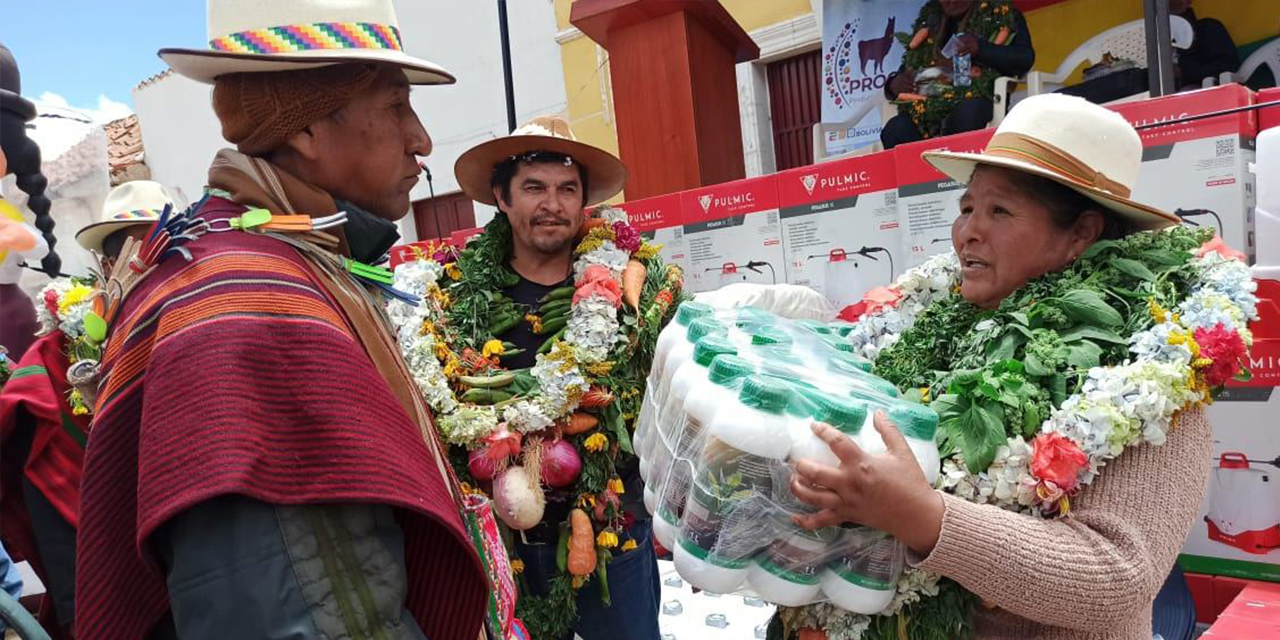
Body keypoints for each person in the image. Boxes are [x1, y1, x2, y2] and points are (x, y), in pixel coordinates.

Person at [73, 2, 487, 639]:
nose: (422, 140)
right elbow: (300, 611)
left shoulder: (282, 258)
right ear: (305, 130)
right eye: (396, 107)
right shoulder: (248, 312)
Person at [791, 94, 1223, 639]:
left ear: (1081, 234)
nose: (968, 231)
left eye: (1000, 211)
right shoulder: (932, 330)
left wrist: (924, 516)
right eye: (967, 207)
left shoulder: (1150, 381)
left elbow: (1119, 579)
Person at [448, 116, 665, 640]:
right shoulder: (457, 303)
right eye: (534, 188)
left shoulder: (631, 288)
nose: (553, 203)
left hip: (615, 533)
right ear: (502, 198)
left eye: (568, 189)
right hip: (510, 540)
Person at [0, 181, 174, 638]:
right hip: (97, 549)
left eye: (165, 247)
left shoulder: (204, 313)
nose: (148, 266)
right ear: (108, 265)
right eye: (130, 249)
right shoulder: (56, 363)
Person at [881, 0, 1035, 149]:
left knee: (967, 112)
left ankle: (958, 172)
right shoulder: (929, 22)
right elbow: (908, 66)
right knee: (895, 129)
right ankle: (926, 173)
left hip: (979, 97)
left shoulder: (1002, 14)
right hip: (927, 104)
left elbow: (1025, 59)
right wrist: (893, 84)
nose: (952, 1)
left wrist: (981, 49)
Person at [1170, 0, 1240, 90]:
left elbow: (1228, 65)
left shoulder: (1207, 27)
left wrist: (1183, 72)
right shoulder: (1150, 39)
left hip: (1200, 92)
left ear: (1188, 2)